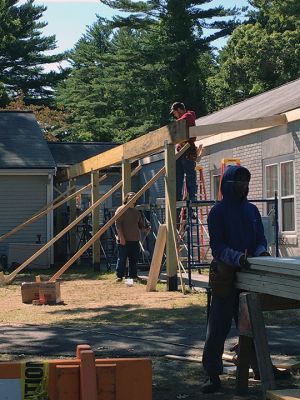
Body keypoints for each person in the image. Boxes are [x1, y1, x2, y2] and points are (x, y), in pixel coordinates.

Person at [202, 165, 289, 394]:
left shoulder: (251, 211)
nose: (244, 186)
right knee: (217, 328)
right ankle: (212, 374)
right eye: (239, 182)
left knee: (252, 327)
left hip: (250, 275)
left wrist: (261, 254)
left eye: (246, 182)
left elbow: (260, 239)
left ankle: (262, 369)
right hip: (226, 275)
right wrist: (237, 257)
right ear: (228, 185)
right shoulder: (217, 212)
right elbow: (218, 247)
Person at [115, 192, 150, 282]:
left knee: (134, 260)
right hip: (124, 240)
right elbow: (118, 225)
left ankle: (133, 276)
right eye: (130, 196)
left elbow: (140, 225)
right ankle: (119, 276)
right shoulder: (121, 209)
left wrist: (145, 229)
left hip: (135, 240)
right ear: (126, 198)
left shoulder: (136, 212)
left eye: (133, 196)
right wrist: (121, 238)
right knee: (122, 259)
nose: (131, 197)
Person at [170, 102, 197, 202]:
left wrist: (174, 125)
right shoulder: (182, 120)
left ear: (179, 110)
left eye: (175, 112)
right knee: (178, 175)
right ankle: (177, 198)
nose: (174, 115)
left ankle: (191, 197)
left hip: (187, 149)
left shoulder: (188, 116)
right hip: (181, 152)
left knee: (190, 175)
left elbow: (184, 119)